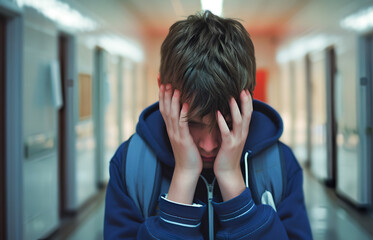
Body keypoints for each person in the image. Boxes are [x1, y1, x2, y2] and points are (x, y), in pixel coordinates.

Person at [104, 10, 312, 240]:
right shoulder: (130, 165)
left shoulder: (280, 165)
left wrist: (232, 181)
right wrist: (183, 176)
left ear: (249, 98)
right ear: (162, 89)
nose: (210, 145)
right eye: (193, 123)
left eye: (227, 123)